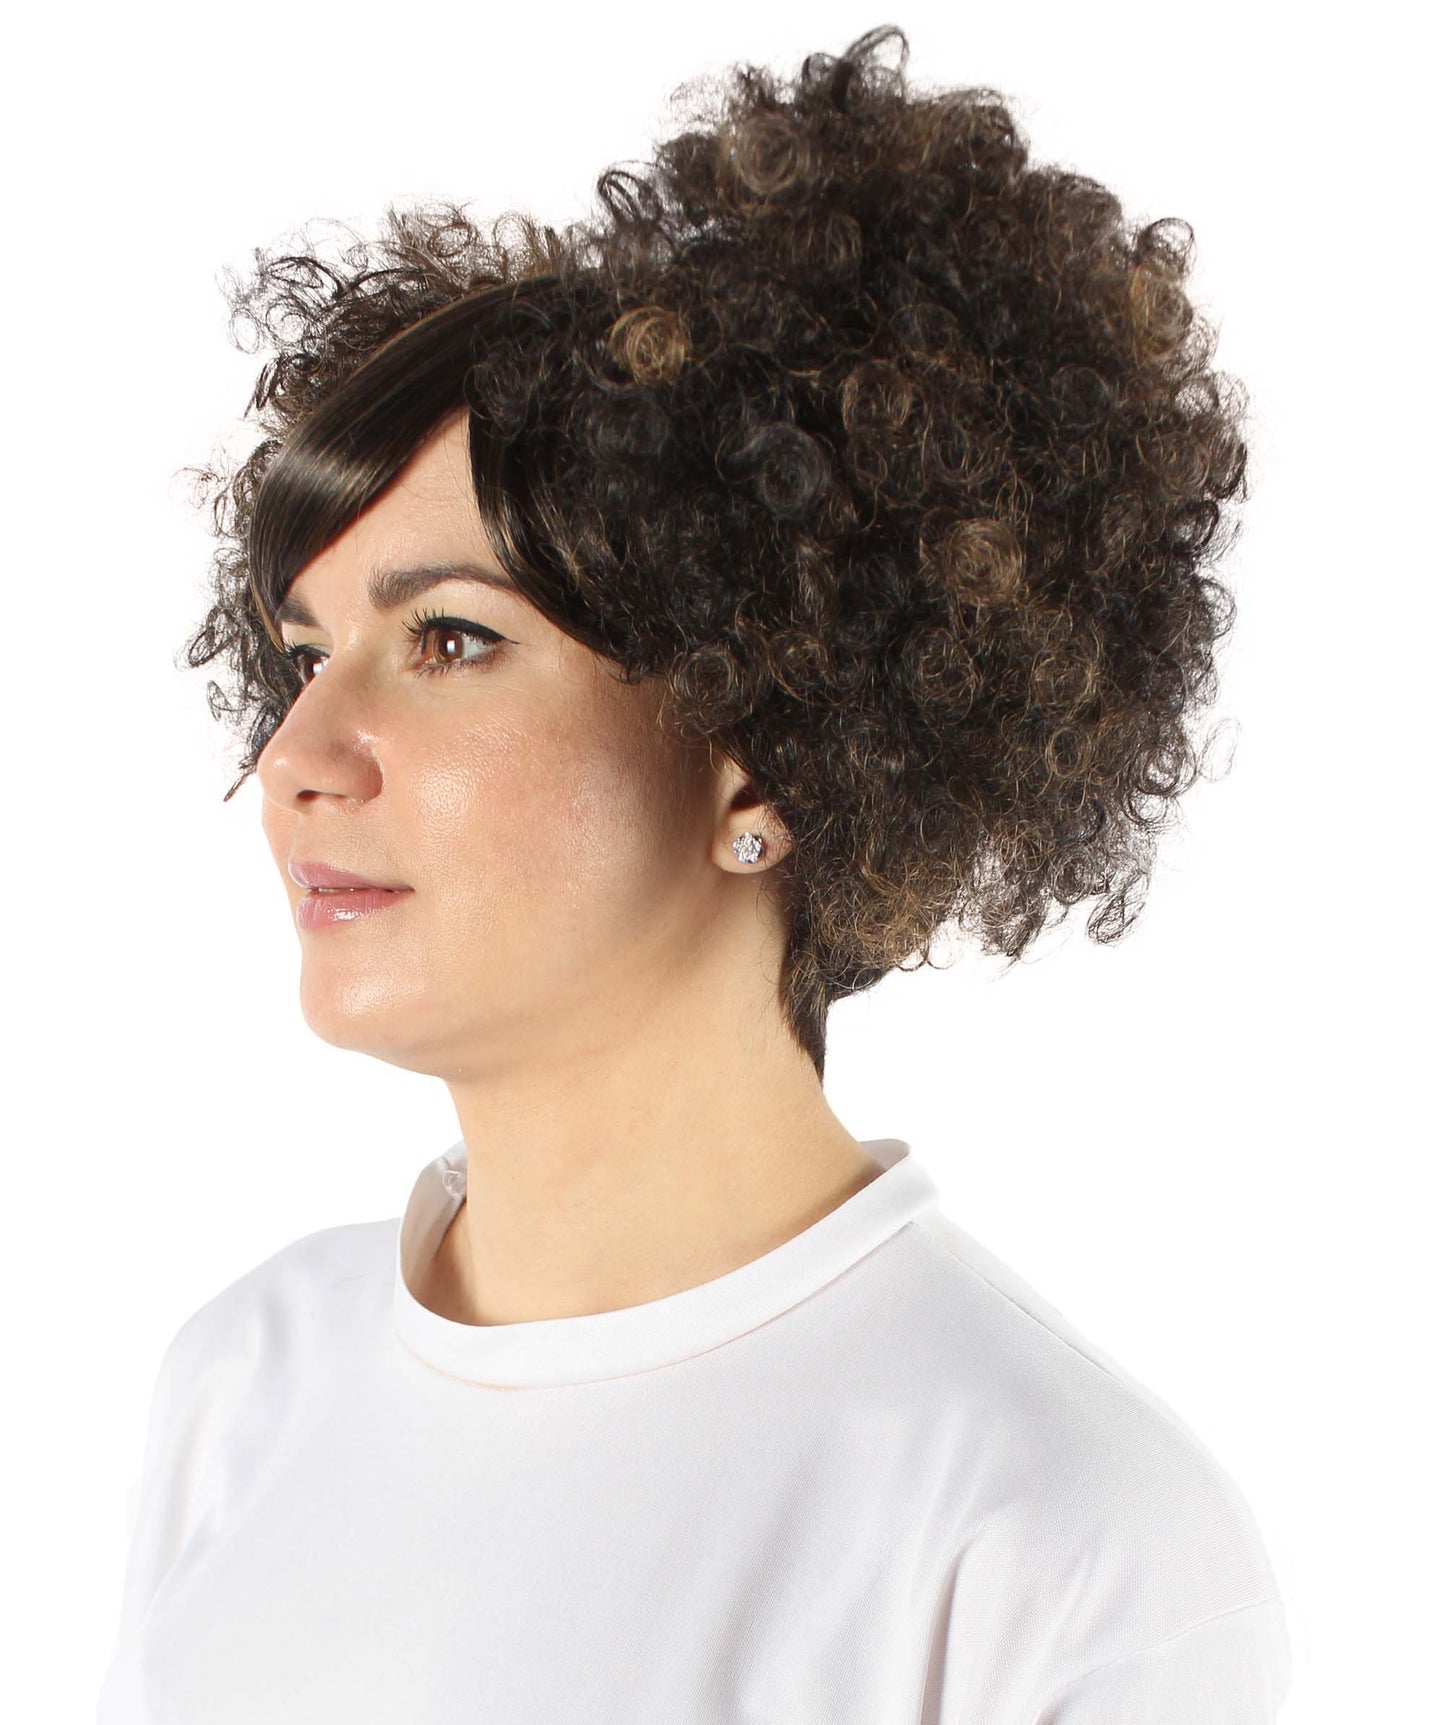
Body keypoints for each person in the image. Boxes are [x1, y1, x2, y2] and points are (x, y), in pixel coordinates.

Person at [98, 23, 1290, 1723]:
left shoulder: (1053, 1542)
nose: (296, 752)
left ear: (762, 747)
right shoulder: (245, 1382)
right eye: (304, 652)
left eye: (450, 639)